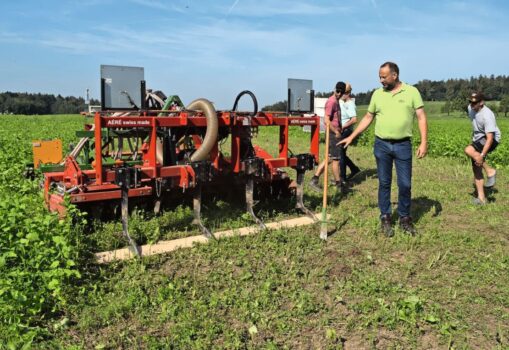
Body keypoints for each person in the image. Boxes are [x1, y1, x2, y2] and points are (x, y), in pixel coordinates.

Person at [339, 62, 428, 237]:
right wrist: (351, 136)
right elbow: (367, 117)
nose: (381, 80)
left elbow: (421, 118)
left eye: (384, 77)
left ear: (394, 75)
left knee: (405, 184)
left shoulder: (411, 92)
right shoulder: (377, 95)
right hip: (382, 145)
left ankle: (404, 218)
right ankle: (385, 217)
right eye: (379, 76)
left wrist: (424, 142)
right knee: (384, 183)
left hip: (403, 145)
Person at [464, 91, 501, 205]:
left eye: (474, 103)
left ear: (481, 102)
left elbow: (490, 138)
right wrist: (478, 157)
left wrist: (482, 155)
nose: (472, 105)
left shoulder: (487, 115)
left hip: (491, 138)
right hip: (479, 138)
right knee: (476, 167)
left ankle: (490, 171)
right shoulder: (470, 108)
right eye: (470, 102)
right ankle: (481, 198)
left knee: (469, 150)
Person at [309, 82, 346, 192]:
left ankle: (314, 180)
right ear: (334, 89)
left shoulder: (336, 101)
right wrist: (336, 132)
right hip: (333, 134)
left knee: (330, 159)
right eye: (337, 91)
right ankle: (339, 186)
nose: (338, 93)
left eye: (341, 92)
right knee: (336, 160)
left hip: (335, 132)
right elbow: (326, 120)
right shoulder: (331, 102)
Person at [339, 83, 361, 182]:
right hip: (343, 130)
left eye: (343, 93)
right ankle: (354, 169)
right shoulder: (343, 102)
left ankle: (342, 178)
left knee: (340, 154)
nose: (341, 95)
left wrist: (343, 126)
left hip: (346, 131)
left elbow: (354, 119)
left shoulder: (350, 104)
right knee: (341, 153)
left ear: (348, 93)